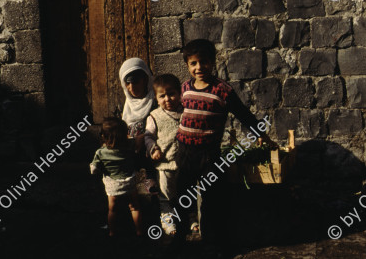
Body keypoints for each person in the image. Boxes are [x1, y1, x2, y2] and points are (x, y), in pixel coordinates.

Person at [176, 38, 278, 247]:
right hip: (185, 152)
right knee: (181, 198)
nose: (199, 67)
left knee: (212, 200)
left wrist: (261, 134)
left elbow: (243, 113)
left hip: (209, 154)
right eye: (193, 63)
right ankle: (178, 239)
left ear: (213, 62)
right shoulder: (185, 88)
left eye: (204, 62)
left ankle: (212, 242)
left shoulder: (222, 90)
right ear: (187, 65)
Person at [90, 117, 143, 239]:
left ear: (103, 136)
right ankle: (139, 231)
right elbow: (139, 139)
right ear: (125, 134)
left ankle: (112, 232)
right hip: (129, 181)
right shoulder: (130, 145)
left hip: (112, 185)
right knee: (134, 207)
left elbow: (94, 170)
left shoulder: (101, 152)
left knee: (112, 210)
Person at [144, 74, 183, 236]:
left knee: (186, 193)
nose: (168, 99)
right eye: (162, 96)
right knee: (166, 196)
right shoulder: (154, 116)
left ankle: (190, 219)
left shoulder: (186, 112)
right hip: (165, 164)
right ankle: (168, 222)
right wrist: (153, 149)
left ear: (180, 93)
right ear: (156, 98)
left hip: (184, 163)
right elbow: (148, 136)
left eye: (171, 93)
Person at [119, 58, 158, 193]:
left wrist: (144, 137)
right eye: (127, 83)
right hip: (133, 146)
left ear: (145, 80)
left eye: (136, 82)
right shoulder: (126, 104)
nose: (132, 87)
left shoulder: (156, 100)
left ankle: (150, 177)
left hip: (151, 145)